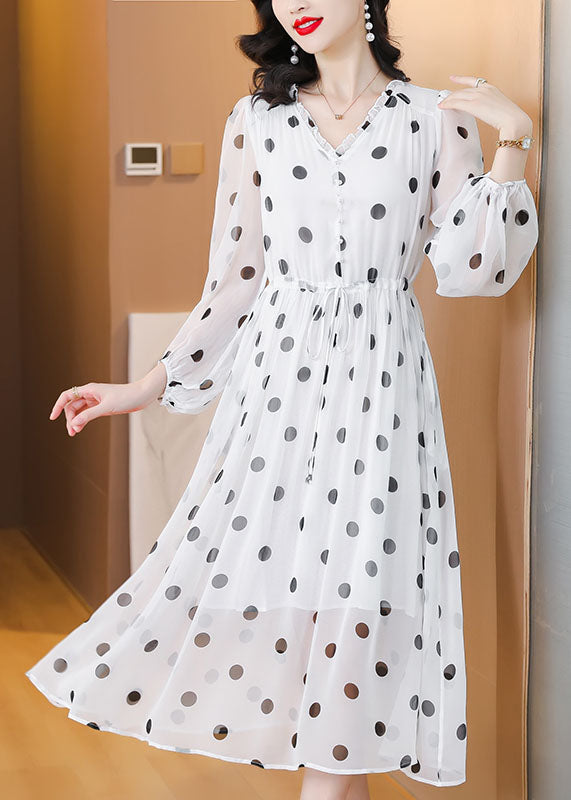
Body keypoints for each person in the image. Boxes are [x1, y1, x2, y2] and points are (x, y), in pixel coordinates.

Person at [25, 1, 538, 798]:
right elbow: (236, 282)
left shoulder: (432, 117)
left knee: (360, 602)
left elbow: (474, 268)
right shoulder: (257, 121)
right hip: (277, 390)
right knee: (294, 610)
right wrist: (144, 387)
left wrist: (514, 139)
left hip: (381, 391)